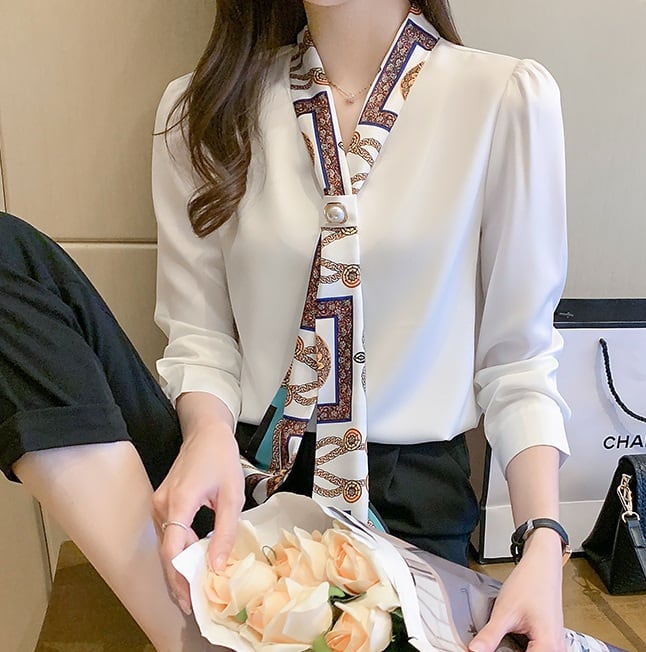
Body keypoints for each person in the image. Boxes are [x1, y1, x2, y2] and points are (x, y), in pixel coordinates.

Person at [0, 1, 571, 650]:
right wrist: (207, 432)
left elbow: (517, 362)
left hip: (399, 515)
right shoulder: (204, 109)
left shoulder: (504, 99)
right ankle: (191, 632)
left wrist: (541, 546)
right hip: (234, 478)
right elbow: (201, 339)